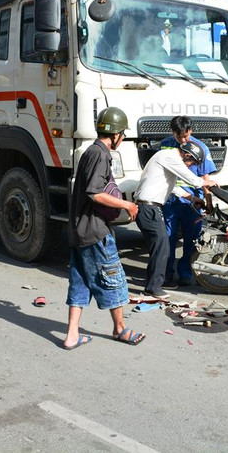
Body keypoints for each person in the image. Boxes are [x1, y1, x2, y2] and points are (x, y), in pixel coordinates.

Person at [64, 107, 143, 349]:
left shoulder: (90, 151)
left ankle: (72, 335)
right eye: (123, 134)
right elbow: (95, 193)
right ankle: (120, 329)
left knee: (80, 282)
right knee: (113, 278)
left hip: (80, 230)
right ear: (116, 133)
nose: (123, 138)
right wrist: (126, 204)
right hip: (95, 231)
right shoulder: (100, 154)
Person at [135, 140, 216, 299]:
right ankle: (153, 287)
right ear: (187, 155)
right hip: (148, 207)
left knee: (159, 247)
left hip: (149, 207)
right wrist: (209, 183)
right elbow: (193, 180)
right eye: (192, 162)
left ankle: (156, 283)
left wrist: (192, 198)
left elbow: (173, 187)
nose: (190, 165)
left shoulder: (166, 158)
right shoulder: (169, 156)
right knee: (162, 247)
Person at [160, 116, 217, 287]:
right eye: (179, 137)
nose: (183, 140)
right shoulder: (166, 145)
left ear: (191, 131)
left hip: (193, 200)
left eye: (186, 136)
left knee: (191, 239)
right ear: (173, 133)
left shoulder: (201, 148)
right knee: (168, 238)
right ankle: (167, 273)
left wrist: (208, 202)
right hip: (170, 199)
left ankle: (185, 272)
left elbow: (205, 178)